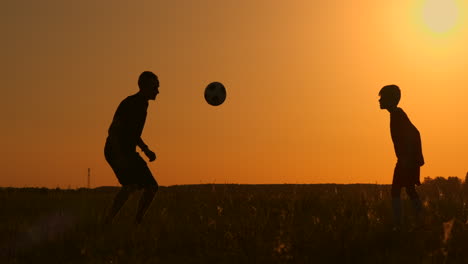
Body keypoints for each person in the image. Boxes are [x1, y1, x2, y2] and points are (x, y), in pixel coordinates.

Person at [104, 71, 160, 225]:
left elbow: (133, 134)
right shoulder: (130, 103)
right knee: (130, 186)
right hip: (115, 150)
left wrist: (146, 149)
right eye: (155, 87)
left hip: (128, 151)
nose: (158, 91)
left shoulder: (143, 104)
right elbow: (113, 130)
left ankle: (137, 222)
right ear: (145, 87)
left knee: (152, 187)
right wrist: (119, 156)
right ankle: (108, 222)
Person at [378, 84, 424, 229]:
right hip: (408, 159)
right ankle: (421, 220)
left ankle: (399, 225)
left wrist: (406, 157)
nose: (379, 101)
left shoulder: (398, 115)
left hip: (406, 160)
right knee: (409, 189)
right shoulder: (396, 114)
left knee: (396, 190)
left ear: (390, 100)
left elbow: (413, 134)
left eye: (382, 98)